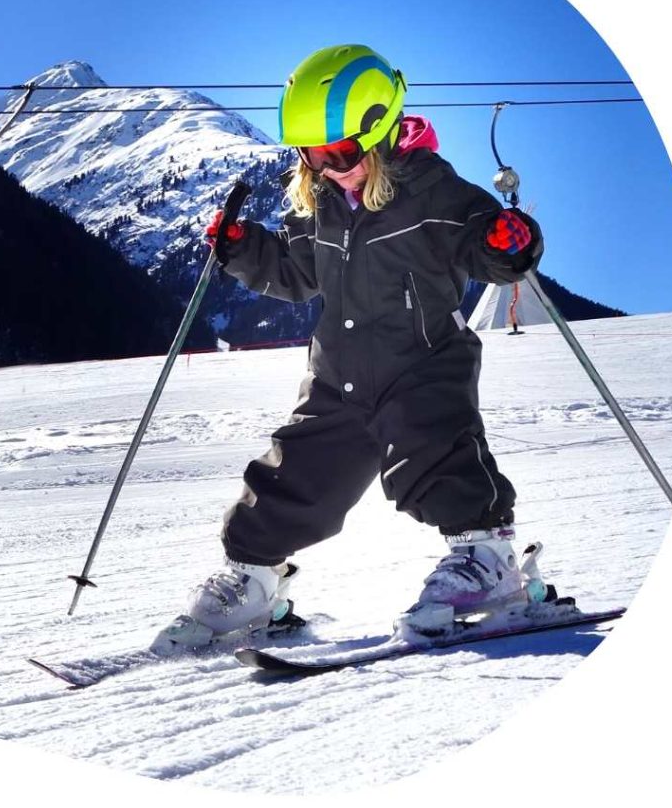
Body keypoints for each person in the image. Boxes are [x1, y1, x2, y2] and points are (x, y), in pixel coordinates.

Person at [153, 44, 544, 651]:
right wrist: (240, 246)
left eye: (342, 152)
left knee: (433, 453)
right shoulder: (323, 206)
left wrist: (507, 243)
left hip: (422, 364)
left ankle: (488, 562)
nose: (331, 167)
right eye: (314, 154)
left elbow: (483, 247)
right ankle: (256, 580)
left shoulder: (436, 195)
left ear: (383, 131)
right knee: (293, 473)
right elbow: (291, 269)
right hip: (337, 375)